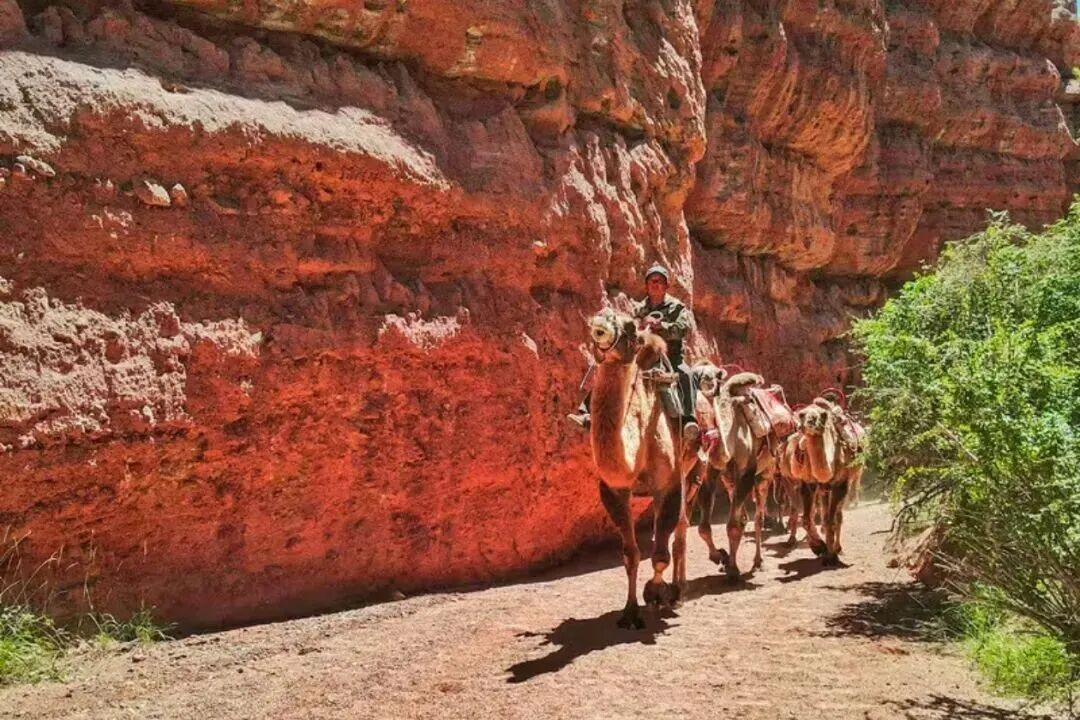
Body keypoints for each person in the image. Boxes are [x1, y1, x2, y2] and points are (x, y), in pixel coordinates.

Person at [568, 264, 700, 441]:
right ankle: (586, 413)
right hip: (644, 356)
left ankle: (689, 421)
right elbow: (631, 328)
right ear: (646, 285)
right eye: (651, 281)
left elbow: (683, 328)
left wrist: (661, 326)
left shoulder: (677, 307)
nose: (655, 284)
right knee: (611, 370)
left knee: (687, 374)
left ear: (666, 285)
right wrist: (638, 326)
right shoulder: (638, 308)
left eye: (659, 281)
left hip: (670, 356)